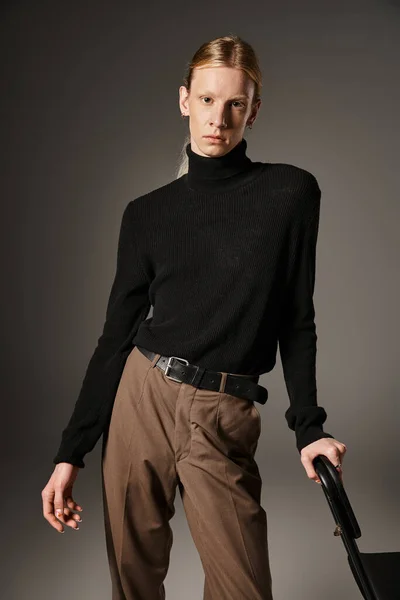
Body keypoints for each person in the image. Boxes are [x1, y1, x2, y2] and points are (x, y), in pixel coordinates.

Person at [41, 34, 347, 599]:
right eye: (206, 100)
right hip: (142, 396)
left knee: (243, 587)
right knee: (133, 580)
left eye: (235, 104)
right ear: (184, 100)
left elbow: (296, 318)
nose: (218, 119)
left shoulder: (290, 194)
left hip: (223, 409)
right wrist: (70, 454)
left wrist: (310, 428)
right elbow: (116, 336)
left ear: (254, 110)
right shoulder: (146, 215)